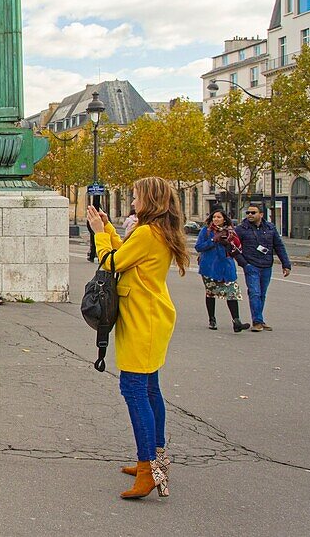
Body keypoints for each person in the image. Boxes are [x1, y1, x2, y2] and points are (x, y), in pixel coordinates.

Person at [87, 176, 189, 500]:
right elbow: (128, 252)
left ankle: (148, 469)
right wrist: (110, 231)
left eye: (135, 198)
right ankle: (155, 459)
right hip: (153, 318)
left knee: (133, 389)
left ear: (150, 200)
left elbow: (111, 262)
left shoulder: (147, 233)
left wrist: (99, 235)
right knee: (149, 389)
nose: (132, 203)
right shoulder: (157, 232)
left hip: (142, 321)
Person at [234, 203, 292, 331]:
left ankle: (259, 318)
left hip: (266, 265)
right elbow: (233, 247)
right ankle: (257, 321)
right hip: (251, 265)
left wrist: (286, 264)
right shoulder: (241, 229)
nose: (250, 215)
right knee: (254, 292)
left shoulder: (270, 227)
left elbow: (279, 246)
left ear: (261, 214)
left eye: (253, 213)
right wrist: (244, 263)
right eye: (248, 213)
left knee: (262, 294)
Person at [195, 210, 250, 332]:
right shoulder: (206, 231)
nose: (215, 219)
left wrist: (227, 243)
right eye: (214, 216)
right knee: (210, 293)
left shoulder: (230, 232)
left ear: (224, 219)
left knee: (232, 293)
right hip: (210, 267)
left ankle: (236, 321)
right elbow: (198, 247)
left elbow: (237, 248)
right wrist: (213, 240)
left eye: (218, 217)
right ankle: (212, 319)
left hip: (226, 267)